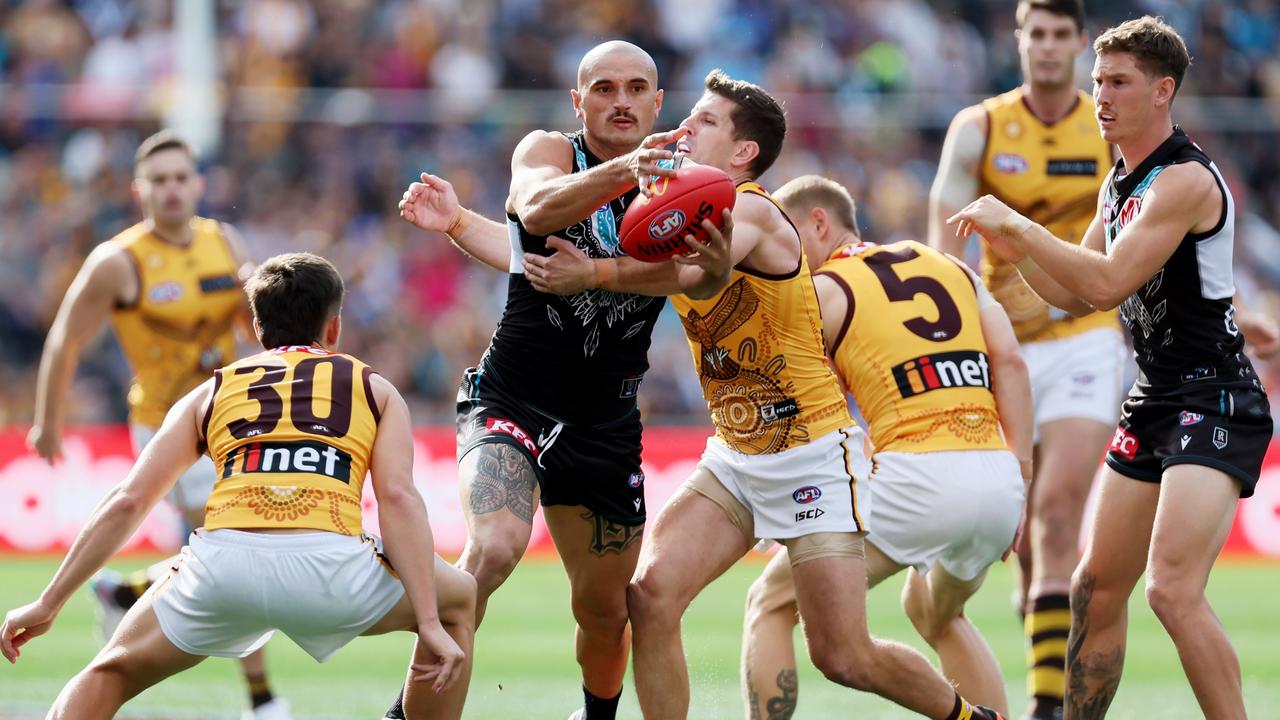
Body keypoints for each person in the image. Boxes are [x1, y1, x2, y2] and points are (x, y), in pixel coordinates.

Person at [529, 69, 1006, 720]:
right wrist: (461, 224)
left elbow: (703, 274)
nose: (685, 127)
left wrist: (596, 272)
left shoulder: (751, 207)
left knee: (843, 657)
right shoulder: (682, 209)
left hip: (813, 453)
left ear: (742, 152)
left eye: (704, 121)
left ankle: (971, 718)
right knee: (651, 596)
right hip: (737, 456)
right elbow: (675, 269)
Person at [391, 40, 732, 720]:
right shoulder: (549, 149)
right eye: (603, 88)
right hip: (510, 400)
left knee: (605, 612)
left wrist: (691, 270)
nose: (621, 100)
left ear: (659, 103)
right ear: (579, 102)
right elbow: (536, 212)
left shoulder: (684, 179)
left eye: (637, 88)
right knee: (491, 551)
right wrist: (623, 173)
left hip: (605, 423)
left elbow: (701, 276)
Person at [949, 16, 1272, 719]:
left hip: (1213, 398)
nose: (1100, 95)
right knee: (1095, 587)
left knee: (1171, 589)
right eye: (1098, 81)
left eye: (1117, 83)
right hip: (1156, 395)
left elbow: (1105, 284)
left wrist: (1022, 228)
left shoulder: (1183, 180)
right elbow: (1068, 293)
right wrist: (1012, 258)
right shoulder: (1119, 182)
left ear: (1162, 92)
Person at [2, 252, 476, 720]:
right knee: (461, 600)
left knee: (107, 674)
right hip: (331, 572)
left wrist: (48, 602)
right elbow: (397, 498)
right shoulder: (374, 389)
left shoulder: (210, 390)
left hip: (222, 570)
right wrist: (430, 621)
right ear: (334, 328)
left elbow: (130, 500)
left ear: (256, 328)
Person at [739, 175, 1032, 719]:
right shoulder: (953, 268)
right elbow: (1011, 363)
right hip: (997, 479)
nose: (774, 251)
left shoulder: (821, 291)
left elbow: (799, 408)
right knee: (936, 614)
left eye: (784, 233)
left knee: (770, 601)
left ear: (819, 224)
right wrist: (1021, 481)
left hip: (917, 477)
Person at [25, 129, 292, 720]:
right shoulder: (118, 262)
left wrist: (258, 297)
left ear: (198, 184)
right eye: (160, 180)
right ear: (139, 189)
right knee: (239, 544)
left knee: (234, 548)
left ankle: (125, 591)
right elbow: (66, 339)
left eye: (181, 178)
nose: (172, 190)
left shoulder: (223, 241)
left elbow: (257, 332)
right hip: (169, 426)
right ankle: (262, 699)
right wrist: (49, 421)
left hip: (233, 416)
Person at [927, 4, 1118, 717]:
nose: (1046, 46)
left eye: (1060, 34)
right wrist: (961, 316)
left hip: (1086, 339)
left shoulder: (1106, 126)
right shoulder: (978, 125)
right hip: (1002, 345)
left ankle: (1046, 709)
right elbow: (942, 232)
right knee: (1030, 535)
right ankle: (1043, 630)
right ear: (1019, 41)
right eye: (1035, 33)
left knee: (1059, 512)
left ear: (1079, 42)